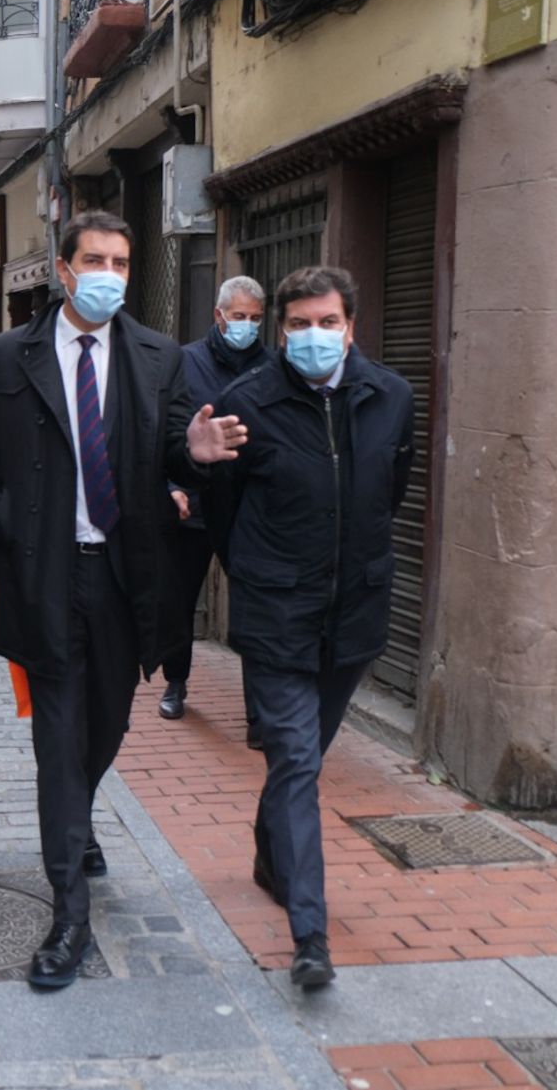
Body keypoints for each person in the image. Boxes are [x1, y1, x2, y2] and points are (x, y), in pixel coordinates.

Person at [0, 211, 246, 991]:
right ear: (64, 267)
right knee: (58, 736)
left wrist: (197, 455)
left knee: (107, 723)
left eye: (122, 258)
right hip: (44, 573)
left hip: (124, 574)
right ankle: (68, 911)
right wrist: (2, 520)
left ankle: (73, 818)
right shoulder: (12, 356)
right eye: (95, 259)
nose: (110, 272)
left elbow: (178, 441)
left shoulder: (157, 356)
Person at [204, 266, 414, 991]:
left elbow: (390, 490)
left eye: (328, 322)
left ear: (351, 326)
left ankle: (271, 851)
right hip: (276, 616)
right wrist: (261, 573)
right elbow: (222, 509)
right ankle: (310, 933)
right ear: (279, 330)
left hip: (353, 616)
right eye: (299, 324)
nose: (314, 335)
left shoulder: (391, 397)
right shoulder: (244, 404)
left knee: (303, 759)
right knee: (295, 761)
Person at [158, 276, 271, 726]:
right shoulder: (185, 362)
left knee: (255, 606)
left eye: (255, 319)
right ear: (218, 315)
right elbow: (164, 433)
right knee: (178, 601)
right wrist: (171, 485)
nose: (246, 326)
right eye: (239, 316)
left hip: (248, 508)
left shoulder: (271, 367)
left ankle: (257, 711)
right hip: (194, 501)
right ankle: (176, 682)